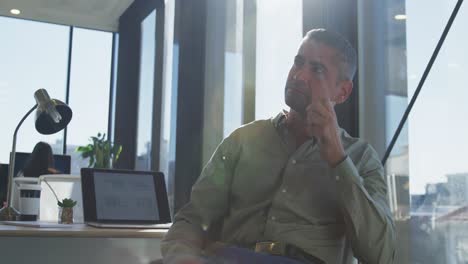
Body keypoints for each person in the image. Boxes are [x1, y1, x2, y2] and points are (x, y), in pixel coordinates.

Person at [161, 29, 396, 264]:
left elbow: (381, 255)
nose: (300, 75)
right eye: (298, 62)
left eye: (317, 70)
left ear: (342, 91)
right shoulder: (242, 140)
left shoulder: (361, 158)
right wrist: (183, 257)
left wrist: (338, 159)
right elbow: (192, 219)